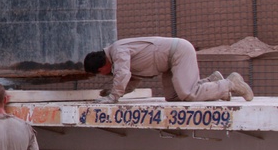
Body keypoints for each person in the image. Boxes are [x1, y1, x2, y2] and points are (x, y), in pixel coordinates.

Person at [84, 37, 253, 102]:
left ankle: (231, 84)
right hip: (169, 63)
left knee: (188, 93)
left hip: (177, 53)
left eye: (99, 72)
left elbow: (123, 74)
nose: (103, 75)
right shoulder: (116, 57)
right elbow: (131, 80)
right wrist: (112, 93)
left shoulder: (117, 51)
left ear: (102, 66)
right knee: (173, 97)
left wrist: (113, 97)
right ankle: (213, 82)